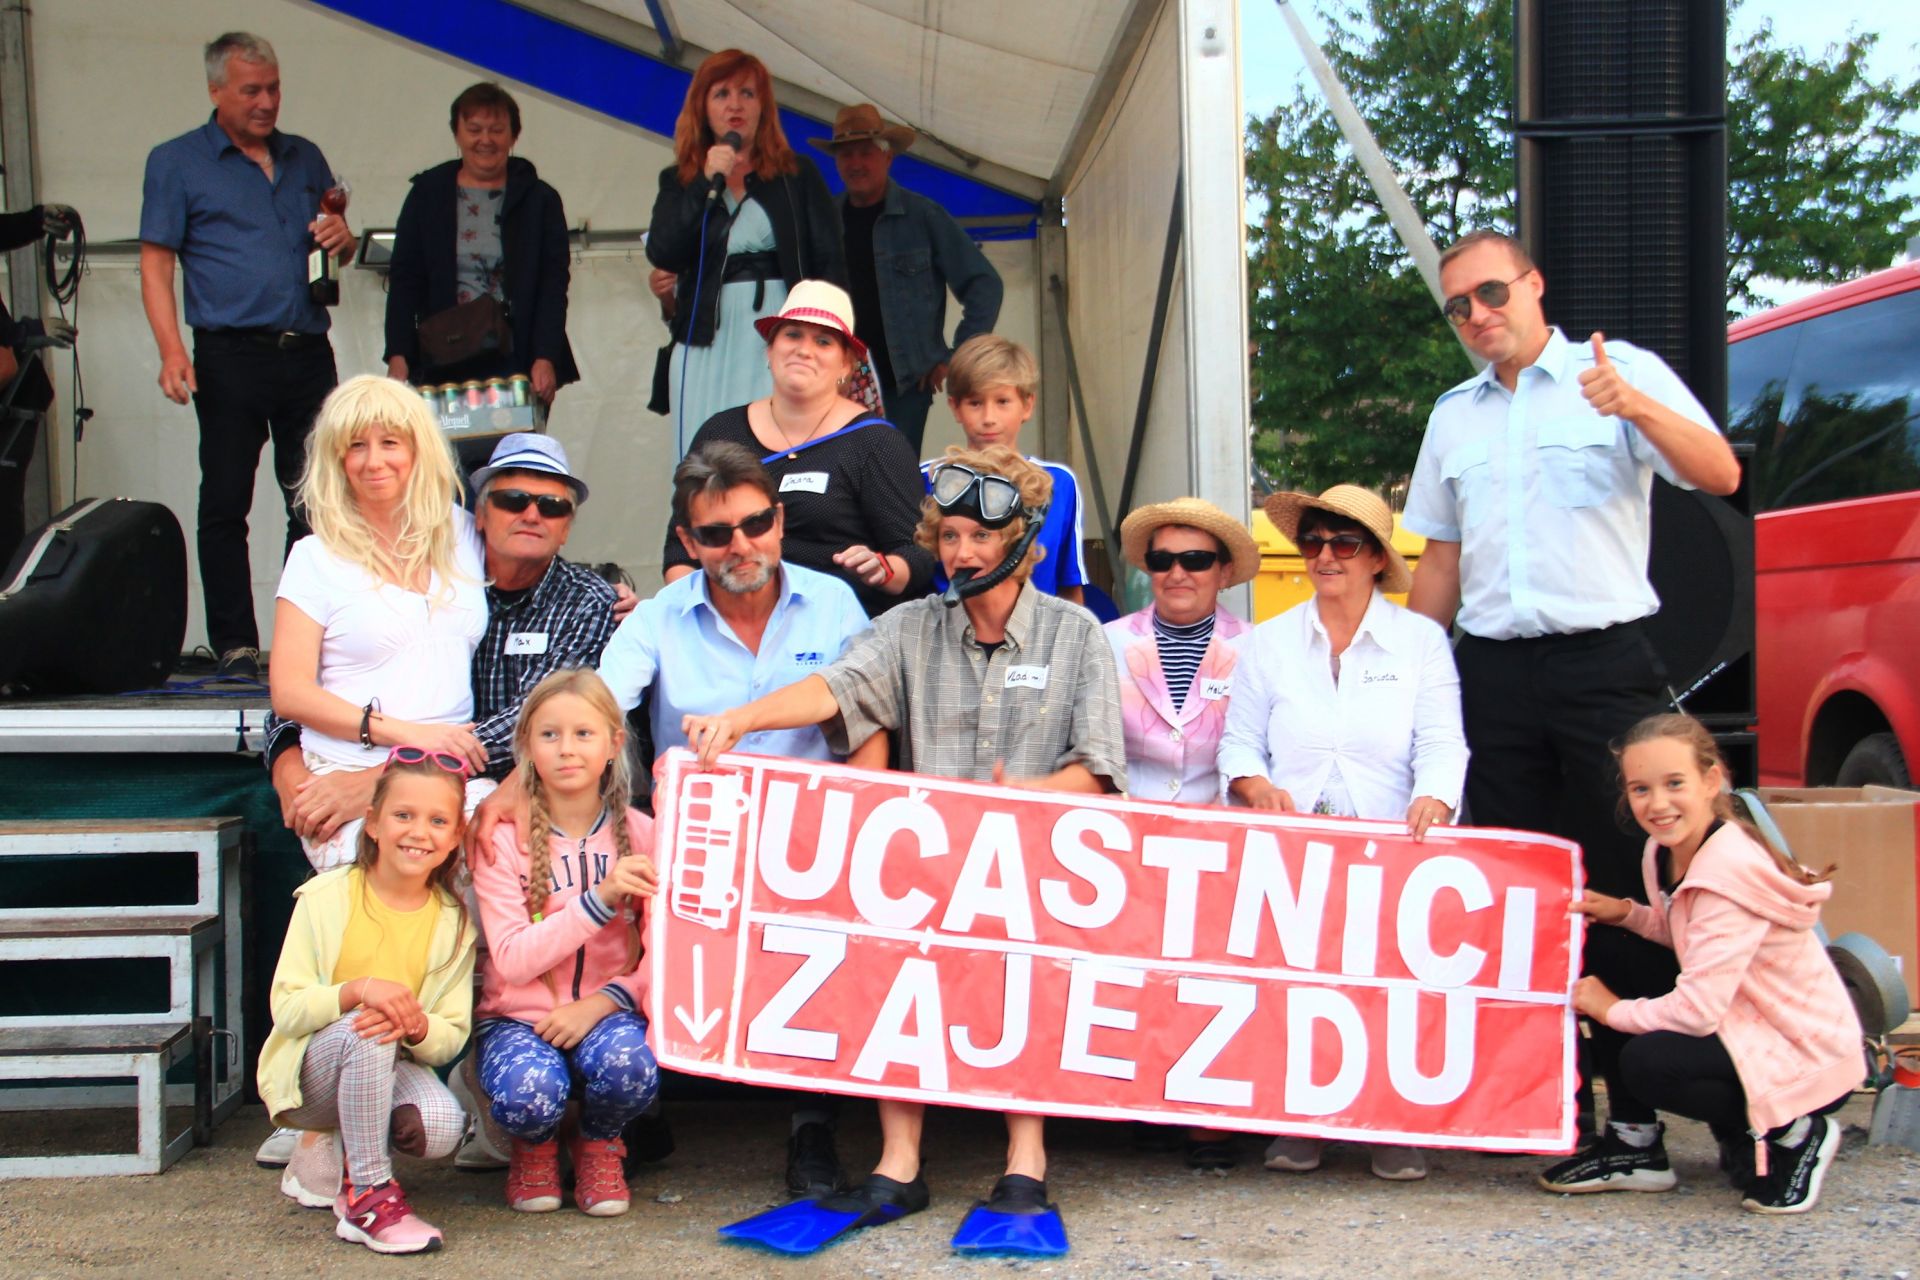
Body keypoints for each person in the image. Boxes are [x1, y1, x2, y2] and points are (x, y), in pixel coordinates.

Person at [682, 444, 1126, 1255]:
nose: (960, 553)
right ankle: (899, 1160)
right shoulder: (908, 627)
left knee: (1026, 956)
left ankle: (1026, 1158)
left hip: (1033, 869)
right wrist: (740, 721)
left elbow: (1099, 769)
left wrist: (1026, 798)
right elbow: (836, 688)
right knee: (892, 946)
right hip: (926, 872)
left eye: (979, 537)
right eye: (948, 536)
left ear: (1023, 542)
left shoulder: (1077, 635)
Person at [1403, 229, 1742, 1141]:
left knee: (1630, 878)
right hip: (1495, 673)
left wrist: (1634, 406)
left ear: (1534, 284)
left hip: (1604, 664)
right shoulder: (1453, 416)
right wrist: (1405, 674)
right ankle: (1547, 1109)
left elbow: (1720, 473)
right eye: (1459, 306)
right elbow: (1441, 561)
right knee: (1517, 886)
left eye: (1492, 292)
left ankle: (1637, 1122)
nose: (1479, 315)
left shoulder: (1618, 372)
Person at [600, 441, 882, 1200]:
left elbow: (872, 708)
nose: (741, 545)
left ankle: (812, 1124)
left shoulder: (834, 602)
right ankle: (638, 1108)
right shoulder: (659, 617)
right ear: (687, 542)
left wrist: (864, 816)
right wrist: (520, 786)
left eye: (756, 524)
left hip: (811, 838)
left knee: (824, 936)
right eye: (717, 533)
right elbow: (597, 711)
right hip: (698, 842)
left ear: (780, 520)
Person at [1219, 484, 1468, 1182]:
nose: (1325, 555)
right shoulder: (1267, 643)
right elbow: (1239, 743)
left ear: (1377, 559)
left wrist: (1434, 797)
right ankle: (1304, 1119)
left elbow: (1442, 742)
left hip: (1394, 838)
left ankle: (1395, 1123)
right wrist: (1255, 786)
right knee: (1300, 981)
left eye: (1344, 543)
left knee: (1393, 980)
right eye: (1314, 541)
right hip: (1295, 843)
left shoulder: (1421, 642)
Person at [1540, 713, 1863, 1214]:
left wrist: (1610, 1010)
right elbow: (1689, 936)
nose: (1658, 804)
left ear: (1712, 780)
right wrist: (1626, 913)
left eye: (1675, 784)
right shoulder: (1663, 850)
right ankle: (1635, 1144)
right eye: (1641, 789)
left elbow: (1697, 1012)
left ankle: (1795, 1130)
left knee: (1650, 1064)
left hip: (1799, 1049)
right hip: (1744, 1019)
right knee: (1607, 943)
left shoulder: (1726, 871)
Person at [140, 32, 358, 679]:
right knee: (226, 499)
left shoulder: (304, 155)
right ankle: (235, 642)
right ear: (216, 91)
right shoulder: (177, 161)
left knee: (317, 500)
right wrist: (171, 350)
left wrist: (342, 238)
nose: (266, 102)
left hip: (306, 349)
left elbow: (336, 249)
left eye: (274, 89)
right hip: (228, 351)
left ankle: (303, 638)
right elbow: (156, 264)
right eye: (251, 91)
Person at [256, 749, 478, 1256]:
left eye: (437, 821)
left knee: (441, 1127)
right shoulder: (325, 897)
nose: (419, 832)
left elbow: (450, 1036)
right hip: (312, 1074)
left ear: (455, 837)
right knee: (369, 1025)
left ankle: (346, 1152)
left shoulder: (453, 920)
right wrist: (358, 991)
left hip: (386, 1061)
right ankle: (368, 1195)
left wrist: (416, 1025)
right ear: (373, 823)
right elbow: (287, 1008)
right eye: (403, 815)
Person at [267, 376, 492, 874]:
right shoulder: (314, 558)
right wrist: (409, 738)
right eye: (356, 446)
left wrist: (616, 599)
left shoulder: (463, 531)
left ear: (419, 450)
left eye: (390, 443)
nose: (374, 461)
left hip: (451, 773)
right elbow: (289, 692)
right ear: (336, 459)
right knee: (399, 877)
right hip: (344, 773)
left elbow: (534, 565)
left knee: (499, 857)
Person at [471, 669, 661, 1218]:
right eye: (549, 735)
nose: (567, 749)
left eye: (584, 734)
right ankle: (534, 1147)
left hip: (609, 1011)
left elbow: (669, 955)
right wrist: (599, 900)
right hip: (517, 1018)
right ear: (527, 747)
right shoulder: (500, 840)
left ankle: (599, 1142)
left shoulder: (646, 835)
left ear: (613, 744)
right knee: (528, 1092)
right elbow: (512, 959)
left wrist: (603, 1002)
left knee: (634, 1067)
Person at [1102, 496, 1257, 1170]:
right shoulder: (1107, 641)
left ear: (1223, 570)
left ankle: (1209, 1112)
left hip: (1221, 835)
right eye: (1163, 559)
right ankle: (1147, 1098)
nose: (1177, 572)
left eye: (1195, 558)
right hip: (1128, 832)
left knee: (1210, 977)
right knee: (1136, 974)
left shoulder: (1257, 649)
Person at [663, 282, 933, 616]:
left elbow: (919, 553)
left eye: (823, 341)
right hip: (731, 620)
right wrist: (691, 618)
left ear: (846, 365)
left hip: (843, 626)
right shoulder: (720, 432)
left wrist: (883, 569)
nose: (805, 350)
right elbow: (680, 549)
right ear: (769, 350)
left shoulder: (875, 443)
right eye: (793, 335)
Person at [647, 49, 846, 454]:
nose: (734, 105)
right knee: (707, 458)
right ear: (702, 107)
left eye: (747, 94)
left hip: (782, 333)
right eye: (721, 94)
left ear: (763, 106)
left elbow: (831, 264)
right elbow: (664, 250)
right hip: (707, 336)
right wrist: (704, 181)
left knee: (781, 451)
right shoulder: (680, 179)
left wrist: (832, 340)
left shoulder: (795, 175)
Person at [810, 103, 1002, 453]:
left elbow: (985, 284)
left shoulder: (923, 216)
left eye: (865, 153)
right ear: (836, 162)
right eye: (846, 155)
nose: (855, 163)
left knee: (893, 475)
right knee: (840, 474)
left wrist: (954, 358)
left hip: (906, 386)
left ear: (888, 157)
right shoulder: (825, 221)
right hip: (837, 381)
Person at [384, 83, 577, 428]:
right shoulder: (427, 194)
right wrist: (398, 354)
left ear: (513, 136)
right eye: (474, 129)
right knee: (445, 454)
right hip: (441, 354)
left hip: (516, 356)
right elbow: (404, 279)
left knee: (513, 450)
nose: (485, 140)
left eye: (496, 130)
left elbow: (552, 286)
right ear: (457, 134)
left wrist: (545, 356)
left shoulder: (540, 200)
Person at [926, 335, 1087, 604]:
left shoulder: (1057, 482)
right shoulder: (930, 478)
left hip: (1039, 626)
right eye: (975, 403)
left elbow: (1068, 582)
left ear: (1027, 405)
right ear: (955, 407)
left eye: (1002, 401)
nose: (989, 418)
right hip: (948, 624)